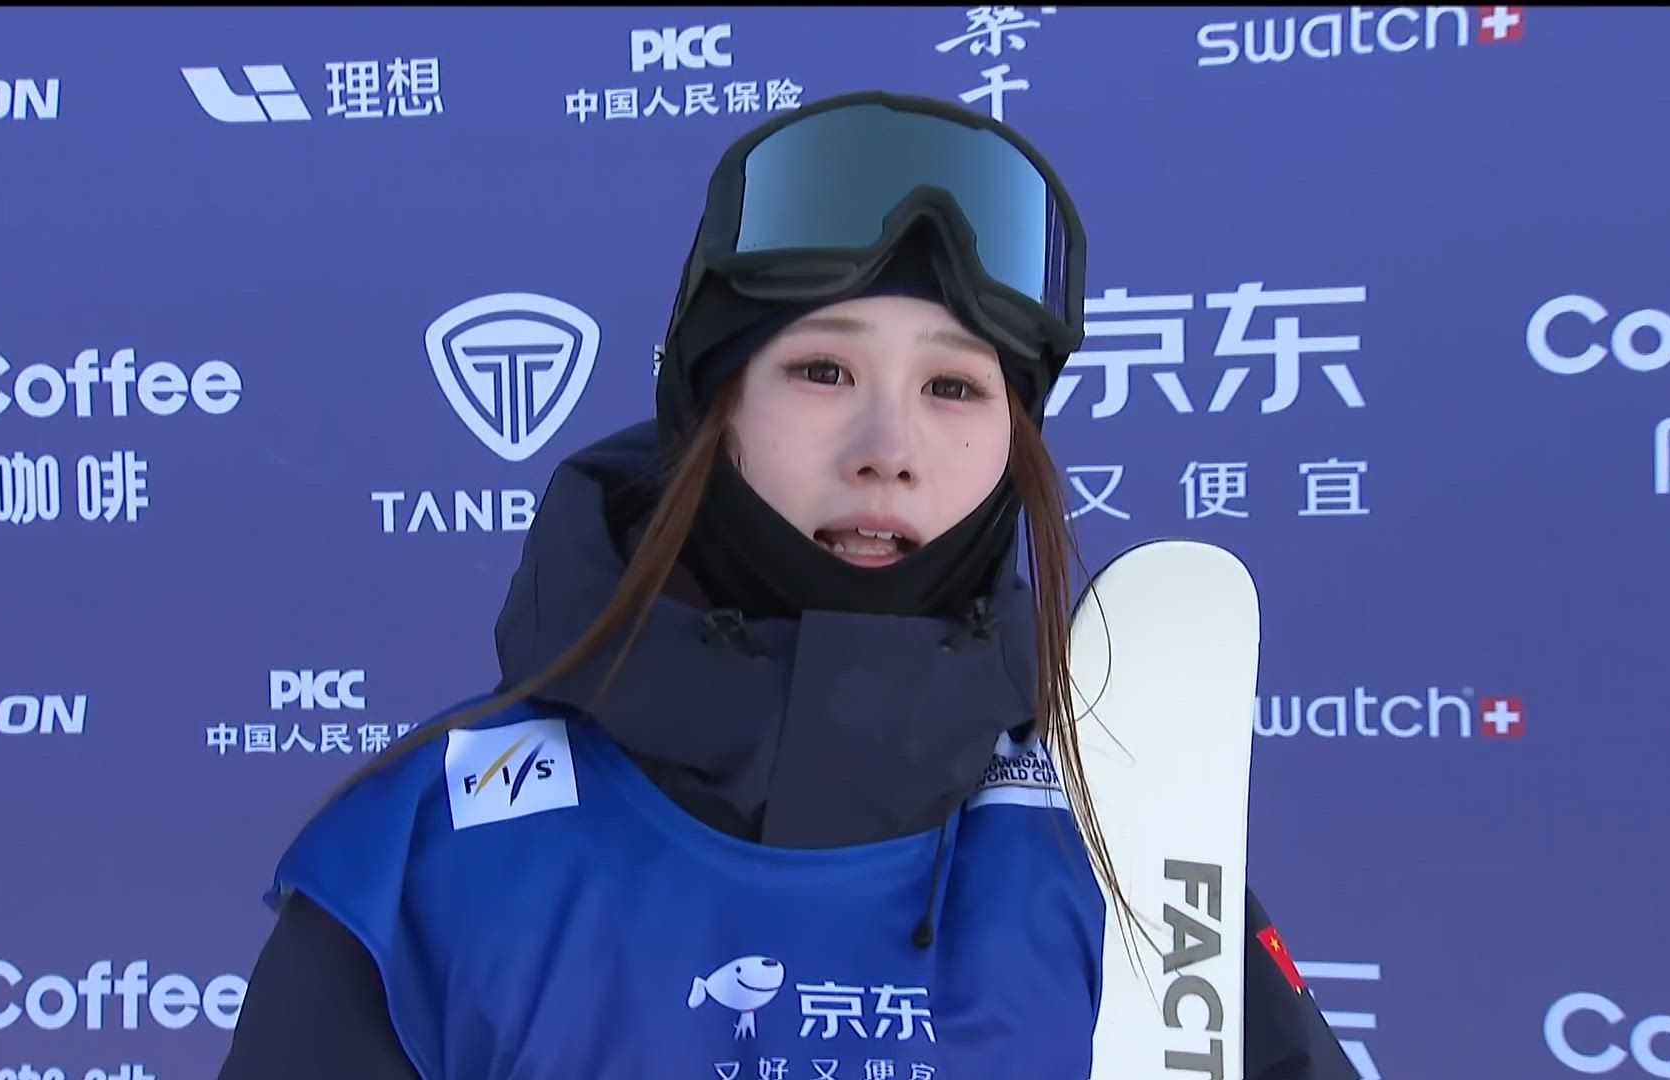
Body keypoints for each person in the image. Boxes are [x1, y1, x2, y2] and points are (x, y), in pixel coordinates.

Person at [217, 90, 1361, 1080]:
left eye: (955, 389)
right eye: (822, 369)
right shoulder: (425, 858)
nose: (889, 449)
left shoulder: (1125, 842)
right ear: (709, 406)